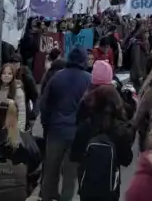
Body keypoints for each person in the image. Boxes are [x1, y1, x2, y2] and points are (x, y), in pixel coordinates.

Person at [39, 47, 93, 201]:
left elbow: (44, 104)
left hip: (56, 130)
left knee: (50, 170)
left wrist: (47, 124)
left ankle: (47, 197)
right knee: (70, 175)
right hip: (76, 134)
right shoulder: (88, 79)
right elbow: (91, 108)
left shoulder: (56, 77)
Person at [71, 85, 134, 201]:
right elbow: (127, 160)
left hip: (87, 187)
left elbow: (74, 155)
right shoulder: (120, 129)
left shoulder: (85, 127)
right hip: (110, 189)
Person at [0, 64, 27, 132]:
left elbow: (22, 113)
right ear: (0, 75)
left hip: (12, 128)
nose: (6, 75)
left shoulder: (18, 91)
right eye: (4, 73)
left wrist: (19, 130)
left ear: (13, 76)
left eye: (9, 73)